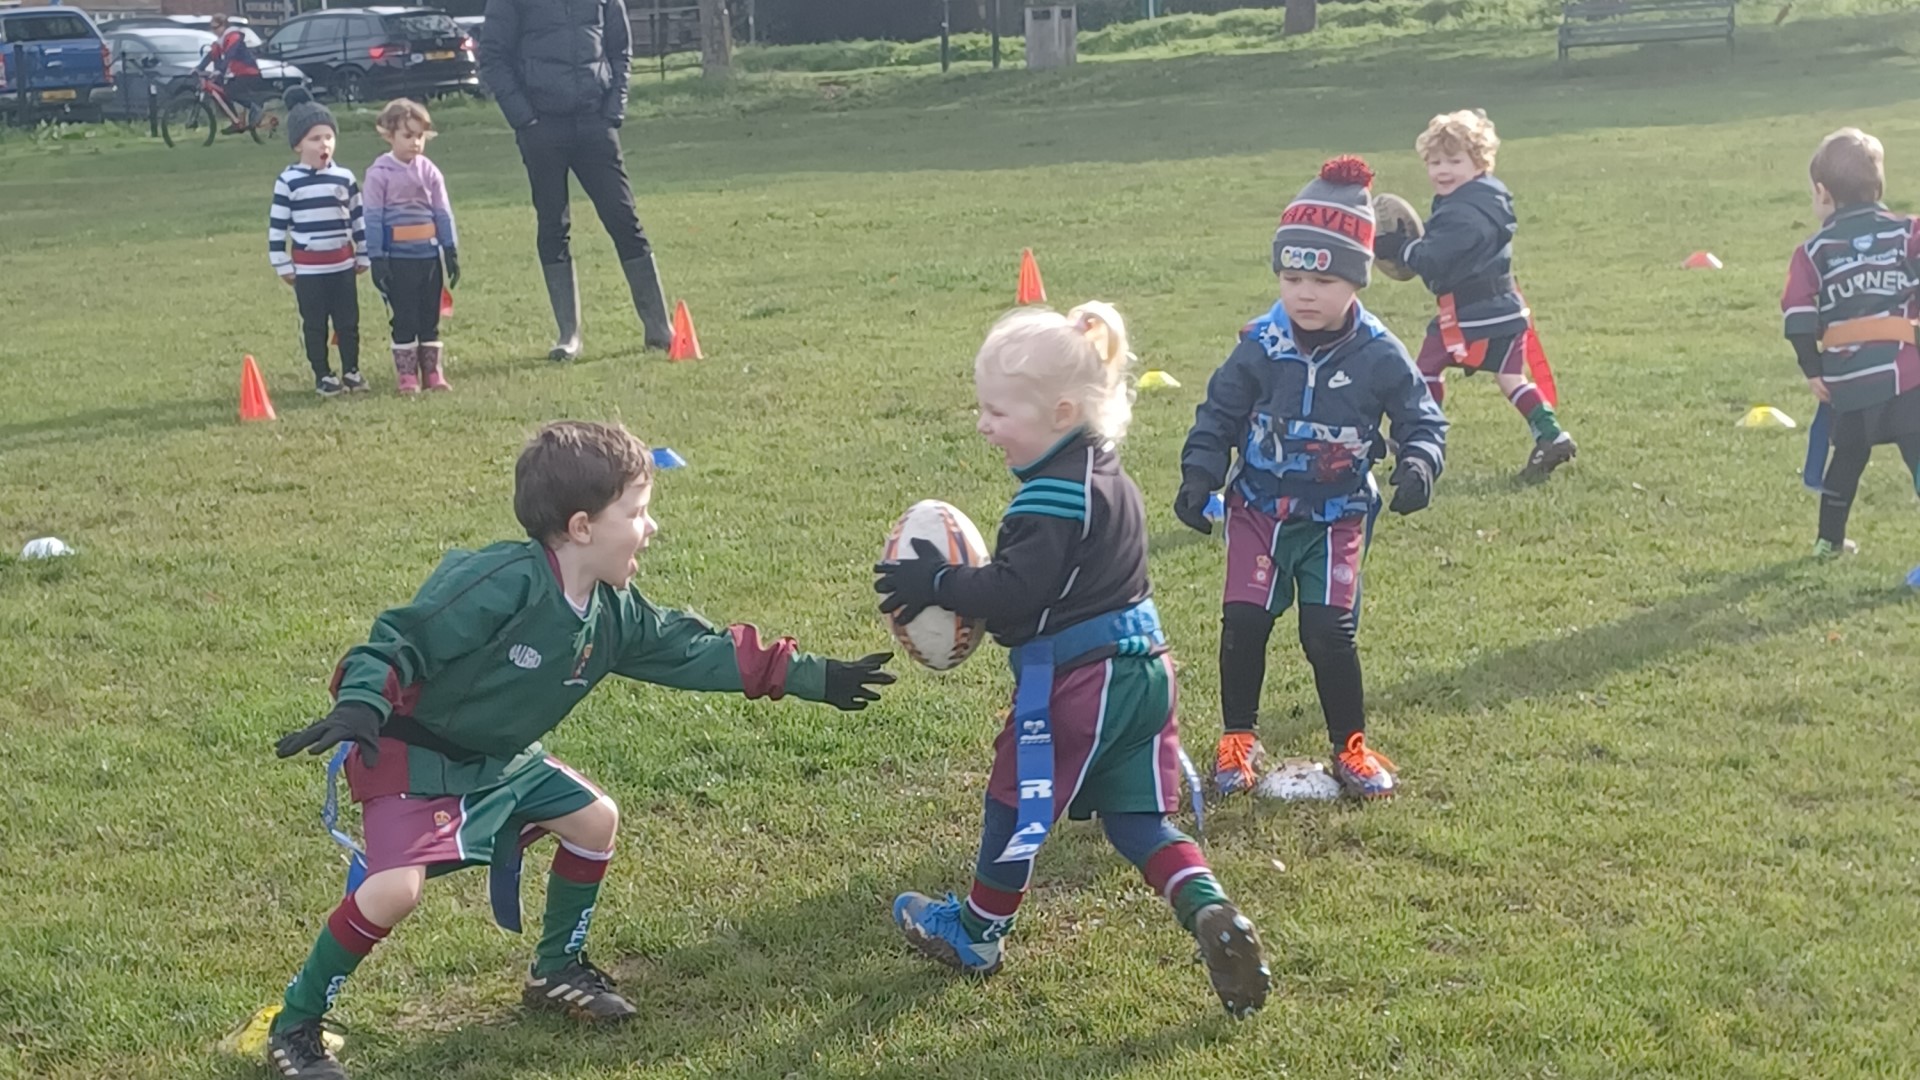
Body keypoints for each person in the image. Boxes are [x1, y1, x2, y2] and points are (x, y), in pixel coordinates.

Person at [263, 421, 895, 1079]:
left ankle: (556, 968)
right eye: (638, 512)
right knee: (393, 892)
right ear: (583, 526)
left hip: (501, 759)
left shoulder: (613, 611)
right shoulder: (504, 580)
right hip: (413, 757)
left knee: (595, 818)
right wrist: (362, 702)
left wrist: (817, 677)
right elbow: (400, 639)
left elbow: (699, 649)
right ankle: (295, 1027)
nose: (650, 528)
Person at [875, 302, 1272, 1020]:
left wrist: (933, 584)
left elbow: (1015, 589)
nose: (982, 424)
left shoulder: (1051, 496)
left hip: (1080, 682)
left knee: (1011, 804)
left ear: (1060, 411)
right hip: (1146, 671)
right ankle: (1209, 908)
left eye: (997, 411)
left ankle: (977, 934)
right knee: (1137, 824)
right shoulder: (1105, 474)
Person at [1174, 156, 1449, 801]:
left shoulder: (1380, 353)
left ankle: (1349, 745)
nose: (1304, 293)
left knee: (1328, 633)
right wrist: (1199, 475)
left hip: (1338, 514)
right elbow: (1219, 411)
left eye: (1322, 280)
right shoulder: (1261, 344)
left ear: (1356, 281)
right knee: (1244, 621)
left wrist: (1418, 462)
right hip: (1259, 510)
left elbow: (1421, 417)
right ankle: (1238, 736)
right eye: (1292, 276)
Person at [1373, 109, 1574, 481]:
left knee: (1426, 369)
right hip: (1505, 310)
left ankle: (1420, 439)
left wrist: (1401, 249)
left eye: (1453, 161)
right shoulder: (1487, 198)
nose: (1442, 170)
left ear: (1479, 162)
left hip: (1472, 314)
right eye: (1434, 162)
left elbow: (1433, 259)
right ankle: (1551, 434)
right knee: (1510, 378)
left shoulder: (1463, 212)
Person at [478, 0, 671, 361]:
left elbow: (620, 49)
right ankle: (569, 335)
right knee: (553, 224)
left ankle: (659, 328)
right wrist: (525, 120)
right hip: (541, 126)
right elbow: (492, 57)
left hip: (595, 121)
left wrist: (614, 110)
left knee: (624, 218)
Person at [1782, 127, 1920, 558]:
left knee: (1846, 460)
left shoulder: (1813, 251)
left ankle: (1829, 542)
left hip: (1849, 380)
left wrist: (1812, 368)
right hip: (1905, 375)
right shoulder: (1907, 232)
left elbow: (1798, 312)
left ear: (1823, 193)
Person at [269, 88, 368, 396]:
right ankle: (323, 374)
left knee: (348, 322)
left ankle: (352, 370)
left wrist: (363, 254)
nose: (324, 144)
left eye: (328, 137)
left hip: (342, 264)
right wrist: (281, 262)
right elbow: (277, 226)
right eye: (314, 138)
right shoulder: (288, 181)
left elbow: (357, 219)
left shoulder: (345, 178)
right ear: (298, 144)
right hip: (309, 271)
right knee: (315, 324)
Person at [365, 98, 460, 394]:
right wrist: (377, 258)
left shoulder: (429, 171)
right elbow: (373, 217)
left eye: (420, 136)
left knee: (429, 313)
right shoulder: (379, 173)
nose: (415, 143)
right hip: (398, 258)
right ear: (389, 135)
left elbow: (442, 211)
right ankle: (407, 375)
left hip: (428, 255)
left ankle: (432, 372)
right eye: (408, 136)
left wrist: (450, 248)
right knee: (404, 315)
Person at [197, 13, 264, 132]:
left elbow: (230, 54)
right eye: (212, 28)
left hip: (248, 72)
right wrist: (198, 68)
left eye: (216, 28)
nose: (214, 31)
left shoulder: (233, 36)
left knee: (230, 91)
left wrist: (219, 70)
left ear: (224, 26)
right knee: (223, 91)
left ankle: (255, 108)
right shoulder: (221, 41)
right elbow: (211, 55)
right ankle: (236, 121)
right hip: (237, 73)